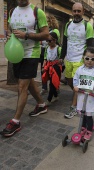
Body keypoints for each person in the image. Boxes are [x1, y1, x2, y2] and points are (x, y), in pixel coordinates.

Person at [0, 0, 49, 137]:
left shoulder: (37, 12)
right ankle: (41, 105)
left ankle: (15, 121)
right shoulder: (12, 11)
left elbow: (46, 34)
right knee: (27, 81)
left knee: (22, 86)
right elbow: (11, 29)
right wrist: (10, 35)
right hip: (17, 52)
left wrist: (26, 35)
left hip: (31, 53)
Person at [60, 2, 94, 119]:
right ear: (72, 11)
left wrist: (88, 61)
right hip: (69, 59)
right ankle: (79, 93)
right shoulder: (68, 25)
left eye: (79, 11)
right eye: (75, 11)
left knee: (76, 83)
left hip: (80, 60)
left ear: (83, 12)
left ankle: (73, 108)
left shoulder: (87, 26)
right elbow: (64, 43)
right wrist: (61, 57)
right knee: (69, 81)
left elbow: (90, 46)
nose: (76, 13)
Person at [73, 47, 94, 140]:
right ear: (83, 58)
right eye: (87, 58)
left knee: (89, 115)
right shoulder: (80, 69)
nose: (89, 61)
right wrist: (75, 86)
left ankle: (89, 130)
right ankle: (83, 127)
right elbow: (76, 79)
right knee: (82, 113)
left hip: (92, 96)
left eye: (92, 59)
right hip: (82, 95)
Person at [40, 15, 61, 95]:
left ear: (51, 22)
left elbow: (54, 41)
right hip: (44, 52)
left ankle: (56, 87)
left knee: (53, 73)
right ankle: (44, 88)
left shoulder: (55, 31)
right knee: (44, 71)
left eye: (46, 21)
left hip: (53, 54)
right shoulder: (44, 30)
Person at [42, 32, 62, 106]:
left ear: (55, 40)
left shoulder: (58, 49)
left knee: (52, 84)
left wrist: (60, 62)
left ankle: (49, 99)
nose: (48, 42)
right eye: (47, 41)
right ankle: (56, 96)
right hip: (48, 67)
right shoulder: (47, 48)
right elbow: (45, 58)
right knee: (51, 82)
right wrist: (44, 67)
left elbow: (61, 60)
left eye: (50, 41)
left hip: (56, 68)